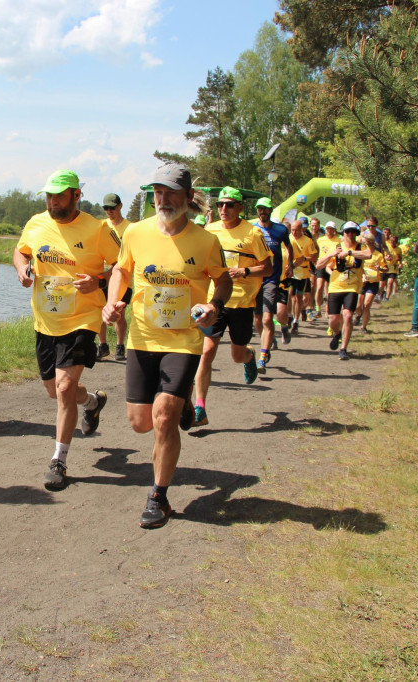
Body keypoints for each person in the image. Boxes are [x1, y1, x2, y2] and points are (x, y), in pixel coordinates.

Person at [103, 162, 231, 528]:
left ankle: (158, 497)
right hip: (143, 338)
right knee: (141, 423)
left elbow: (222, 282)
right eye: (158, 192)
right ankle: (182, 404)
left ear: (188, 197)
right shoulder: (137, 233)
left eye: (171, 192)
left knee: (164, 418)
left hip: (184, 341)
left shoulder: (206, 241)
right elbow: (121, 271)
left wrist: (213, 305)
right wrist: (113, 301)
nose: (163, 199)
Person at [14, 170, 121, 491]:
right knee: (55, 390)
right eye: (49, 195)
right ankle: (91, 402)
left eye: (59, 195)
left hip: (83, 319)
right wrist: (22, 268)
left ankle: (58, 460)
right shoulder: (36, 223)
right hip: (46, 320)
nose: (53, 200)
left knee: (62, 389)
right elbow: (21, 250)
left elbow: (123, 265)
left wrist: (99, 280)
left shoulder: (97, 228)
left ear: (77, 195)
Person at [191, 187, 272, 426]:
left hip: (243, 302)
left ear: (240, 208)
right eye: (220, 205)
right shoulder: (211, 229)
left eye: (229, 205)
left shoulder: (252, 233)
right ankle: (200, 407)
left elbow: (267, 268)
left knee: (237, 355)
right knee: (206, 353)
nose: (223, 209)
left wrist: (245, 270)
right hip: (215, 302)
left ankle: (249, 358)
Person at [315, 221, 373, 359]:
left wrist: (350, 252)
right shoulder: (336, 247)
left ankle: (343, 349)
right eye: (348, 232)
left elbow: (369, 254)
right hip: (335, 287)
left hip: (352, 287)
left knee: (347, 316)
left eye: (354, 232)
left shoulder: (360, 247)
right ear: (343, 233)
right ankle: (336, 333)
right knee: (333, 319)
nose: (351, 235)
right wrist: (331, 255)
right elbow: (318, 265)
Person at [252, 197, 294, 374]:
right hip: (255, 279)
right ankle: (268, 341)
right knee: (257, 320)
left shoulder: (280, 230)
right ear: (257, 211)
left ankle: (263, 356)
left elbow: (289, 247)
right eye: (260, 209)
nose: (263, 211)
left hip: (271, 279)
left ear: (270, 211)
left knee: (268, 318)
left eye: (266, 209)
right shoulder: (252, 230)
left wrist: (290, 264)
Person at [100, 193, 131, 361]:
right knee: (101, 311)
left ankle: (120, 346)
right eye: (106, 208)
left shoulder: (130, 228)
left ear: (120, 206)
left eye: (112, 207)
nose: (109, 211)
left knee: (119, 313)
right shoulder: (101, 226)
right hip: (104, 276)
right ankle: (103, 345)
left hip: (124, 277)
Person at [288, 217, 318, 333]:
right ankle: (290, 315)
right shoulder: (288, 239)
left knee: (299, 297)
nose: (294, 233)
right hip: (290, 272)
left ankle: (296, 320)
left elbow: (314, 256)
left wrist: (304, 258)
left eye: (296, 230)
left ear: (302, 230)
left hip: (303, 272)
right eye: (292, 230)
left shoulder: (307, 241)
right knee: (291, 295)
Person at [314, 220, 340, 325]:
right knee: (319, 287)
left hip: (332, 266)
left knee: (329, 289)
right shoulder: (320, 240)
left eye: (331, 229)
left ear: (334, 230)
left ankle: (328, 308)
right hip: (322, 264)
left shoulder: (338, 240)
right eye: (327, 228)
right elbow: (316, 250)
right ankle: (318, 309)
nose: (329, 230)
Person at [382, 235, 403, 299]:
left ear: (396, 242)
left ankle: (387, 298)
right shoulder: (387, 247)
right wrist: (386, 258)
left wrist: (400, 263)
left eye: (394, 241)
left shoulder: (398, 249)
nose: (392, 242)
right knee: (382, 284)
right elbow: (381, 256)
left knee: (390, 282)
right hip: (385, 266)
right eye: (391, 241)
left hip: (393, 268)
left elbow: (400, 258)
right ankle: (381, 293)